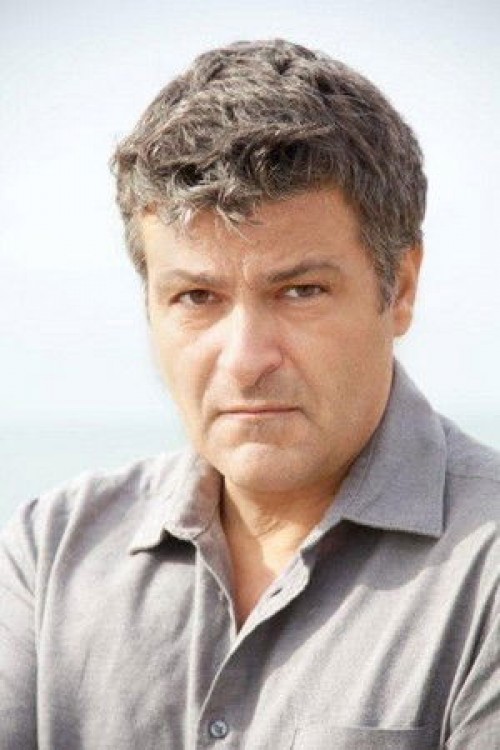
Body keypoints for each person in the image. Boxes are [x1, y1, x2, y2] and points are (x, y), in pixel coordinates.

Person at [1, 39, 498, 750]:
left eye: (300, 291)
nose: (245, 360)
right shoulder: (48, 553)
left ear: (401, 289)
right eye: (196, 297)